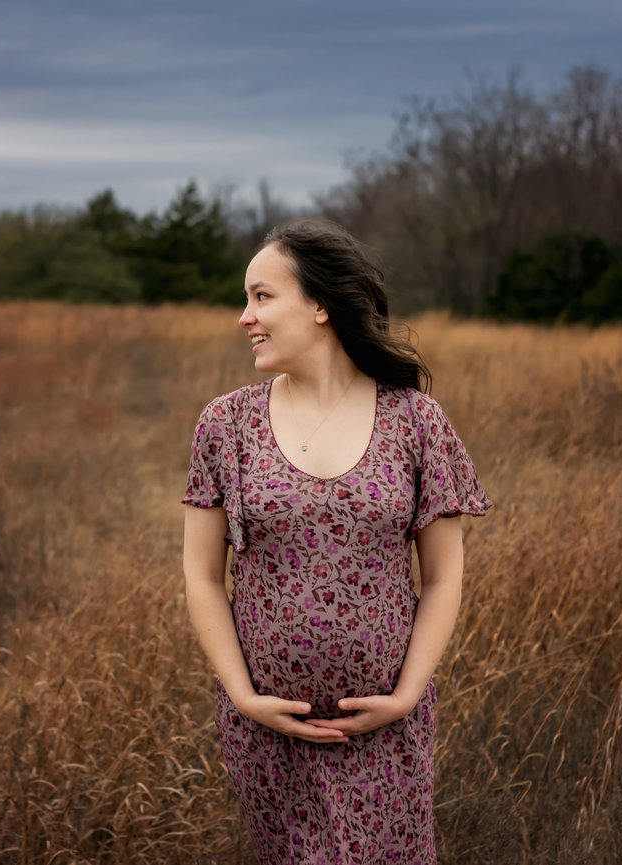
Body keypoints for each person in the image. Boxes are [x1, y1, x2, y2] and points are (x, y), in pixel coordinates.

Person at [181, 218, 491, 864]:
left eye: (261, 296)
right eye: (246, 299)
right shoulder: (225, 425)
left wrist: (405, 694)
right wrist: (243, 696)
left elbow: (442, 576)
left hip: (384, 727)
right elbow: (203, 576)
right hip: (269, 727)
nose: (244, 317)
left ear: (320, 304)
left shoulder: (414, 421)